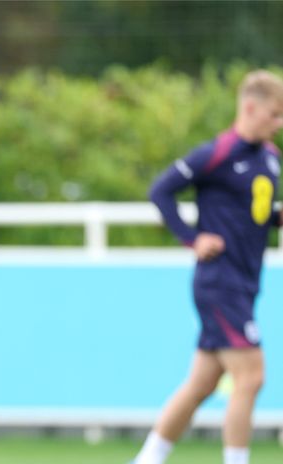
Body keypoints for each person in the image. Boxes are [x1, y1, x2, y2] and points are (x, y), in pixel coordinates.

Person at [133, 70, 283, 464]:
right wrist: (191, 237)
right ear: (250, 107)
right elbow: (160, 190)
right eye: (275, 114)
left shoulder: (270, 158)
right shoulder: (216, 153)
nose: (278, 124)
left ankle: (148, 459)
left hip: (246, 282)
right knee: (252, 377)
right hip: (220, 282)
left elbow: (251, 212)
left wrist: (275, 218)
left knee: (202, 384)